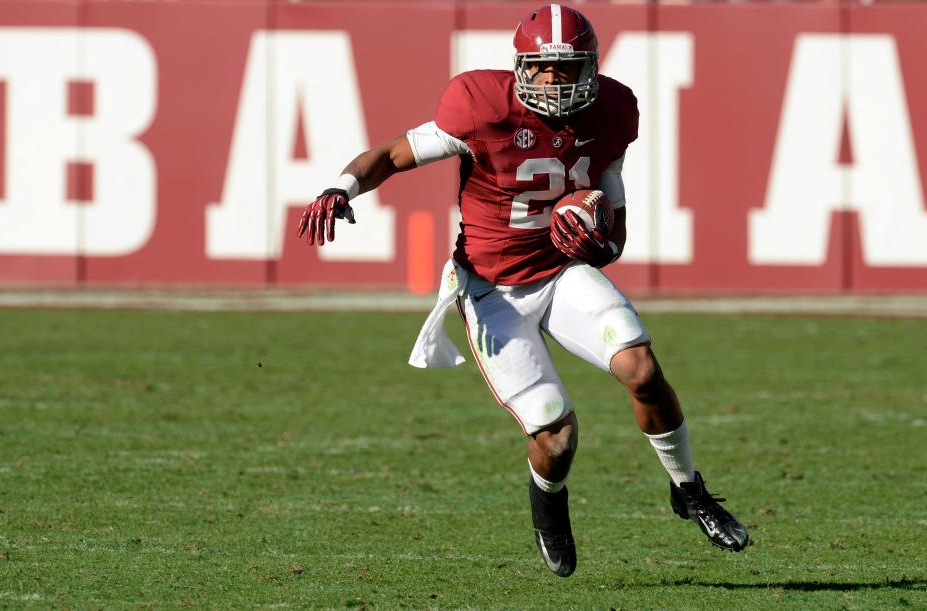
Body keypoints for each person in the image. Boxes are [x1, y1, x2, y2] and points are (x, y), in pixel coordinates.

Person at [297, 4, 748, 577]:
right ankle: (548, 502)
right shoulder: (480, 108)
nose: (555, 81)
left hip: (560, 274)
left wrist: (597, 244)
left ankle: (689, 489)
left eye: (568, 67)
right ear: (520, 67)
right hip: (491, 290)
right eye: (543, 68)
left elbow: (616, 232)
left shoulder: (611, 111)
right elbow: (391, 155)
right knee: (556, 434)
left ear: (591, 66)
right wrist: (341, 189)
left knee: (641, 367)